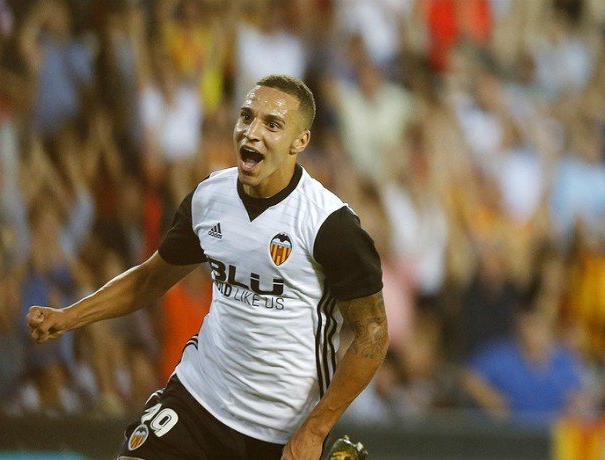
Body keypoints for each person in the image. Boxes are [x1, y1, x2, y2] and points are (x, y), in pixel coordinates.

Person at [28, 74, 388, 460]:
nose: (251, 132)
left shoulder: (328, 224)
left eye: (272, 124)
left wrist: (315, 430)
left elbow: (373, 332)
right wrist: (68, 317)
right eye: (246, 117)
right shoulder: (210, 197)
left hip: (278, 430)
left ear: (300, 142)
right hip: (197, 398)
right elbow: (149, 280)